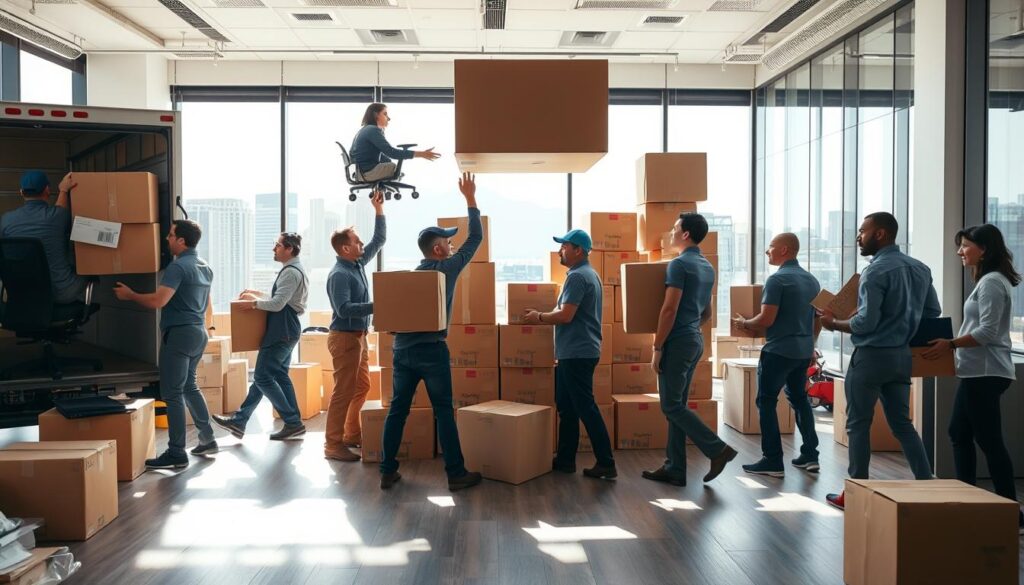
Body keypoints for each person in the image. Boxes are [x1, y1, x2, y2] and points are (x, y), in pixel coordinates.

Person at [821, 211, 939, 510]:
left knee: (858, 424)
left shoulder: (874, 272)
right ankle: (926, 485)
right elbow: (932, 311)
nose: (858, 237)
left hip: (871, 357)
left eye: (862, 231)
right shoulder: (921, 268)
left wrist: (834, 323)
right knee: (903, 424)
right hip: (901, 356)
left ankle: (856, 493)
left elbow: (865, 325)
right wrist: (901, 324)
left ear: (881, 234)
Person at [379, 172, 483, 492]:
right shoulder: (446, 270)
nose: (453, 247)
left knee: (398, 410)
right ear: (438, 250)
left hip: (402, 351)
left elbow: (391, 321)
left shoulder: (410, 277)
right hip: (432, 351)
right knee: (443, 412)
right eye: (448, 243)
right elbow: (475, 239)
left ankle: (387, 470)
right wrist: (470, 199)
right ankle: (456, 474)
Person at [922, 224, 1023, 529]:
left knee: (987, 440)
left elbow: (988, 332)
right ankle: (969, 497)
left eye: (965, 245)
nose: (960, 252)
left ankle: (1011, 511)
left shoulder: (992, 282)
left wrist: (950, 343)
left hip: (986, 371)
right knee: (960, 433)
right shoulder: (989, 281)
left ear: (984, 249)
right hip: (979, 371)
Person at [114, 219, 217, 469]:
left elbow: (159, 301)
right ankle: (208, 439)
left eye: (171, 235)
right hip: (198, 333)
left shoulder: (178, 267)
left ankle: (176, 452)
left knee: (171, 394)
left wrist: (130, 296)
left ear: (182, 241)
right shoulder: (204, 266)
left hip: (180, 334)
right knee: (189, 386)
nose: (167, 239)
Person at [644, 212, 737, 487]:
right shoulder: (707, 267)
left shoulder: (678, 265)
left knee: (670, 405)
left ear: (685, 234)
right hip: (694, 339)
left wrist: (657, 346)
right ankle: (675, 467)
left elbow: (669, 309)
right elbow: (706, 310)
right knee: (677, 407)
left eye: (674, 229)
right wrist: (690, 325)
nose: (670, 233)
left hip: (677, 342)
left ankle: (717, 449)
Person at [522, 229, 616, 480]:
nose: (560, 251)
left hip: (577, 353)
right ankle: (565, 460)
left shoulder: (577, 277)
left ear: (579, 250)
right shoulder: (586, 274)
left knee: (585, 407)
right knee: (567, 407)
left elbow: (565, 315)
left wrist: (538, 317)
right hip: (573, 352)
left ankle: (606, 463)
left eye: (564, 246)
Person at [732, 233, 822, 477]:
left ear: (784, 249)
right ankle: (810, 456)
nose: (766, 252)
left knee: (766, 401)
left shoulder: (777, 280)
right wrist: (811, 343)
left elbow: (766, 319)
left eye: (770, 247)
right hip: (802, 352)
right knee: (800, 399)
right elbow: (818, 319)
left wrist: (744, 323)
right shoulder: (812, 281)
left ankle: (772, 460)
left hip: (778, 351)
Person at [212, 232, 309, 441]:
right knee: (277, 376)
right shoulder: (293, 270)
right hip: (286, 328)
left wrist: (253, 304)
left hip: (281, 330)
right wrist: (257, 295)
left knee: (262, 377)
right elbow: (281, 300)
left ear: (289, 249)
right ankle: (240, 421)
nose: (274, 249)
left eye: (278, 245)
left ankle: (293, 422)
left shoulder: (290, 272)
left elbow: (277, 304)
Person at [323, 190, 386, 462]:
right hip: (345, 338)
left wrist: (379, 210)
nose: (362, 245)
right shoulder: (339, 274)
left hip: (359, 336)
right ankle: (332, 445)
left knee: (361, 386)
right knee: (343, 392)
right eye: (357, 242)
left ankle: (351, 435)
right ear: (345, 249)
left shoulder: (357, 264)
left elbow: (379, 239)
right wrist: (380, 305)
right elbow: (343, 310)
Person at [1, 171, 87, 303]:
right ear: (47, 189)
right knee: (88, 271)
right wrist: (63, 190)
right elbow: (60, 211)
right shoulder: (57, 216)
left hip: (23, 294)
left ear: (21, 192)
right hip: (62, 294)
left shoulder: (6, 220)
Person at [350, 103, 440, 183]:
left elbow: (381, 155)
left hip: (360, 172)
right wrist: (422, 154)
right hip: (367, 173)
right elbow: (392, 152)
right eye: (385, 114)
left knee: (392, 166)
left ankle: (383, 188)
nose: (388, 118)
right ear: (375, 115)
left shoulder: (364, 130)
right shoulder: (373, 130)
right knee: (392, 167)